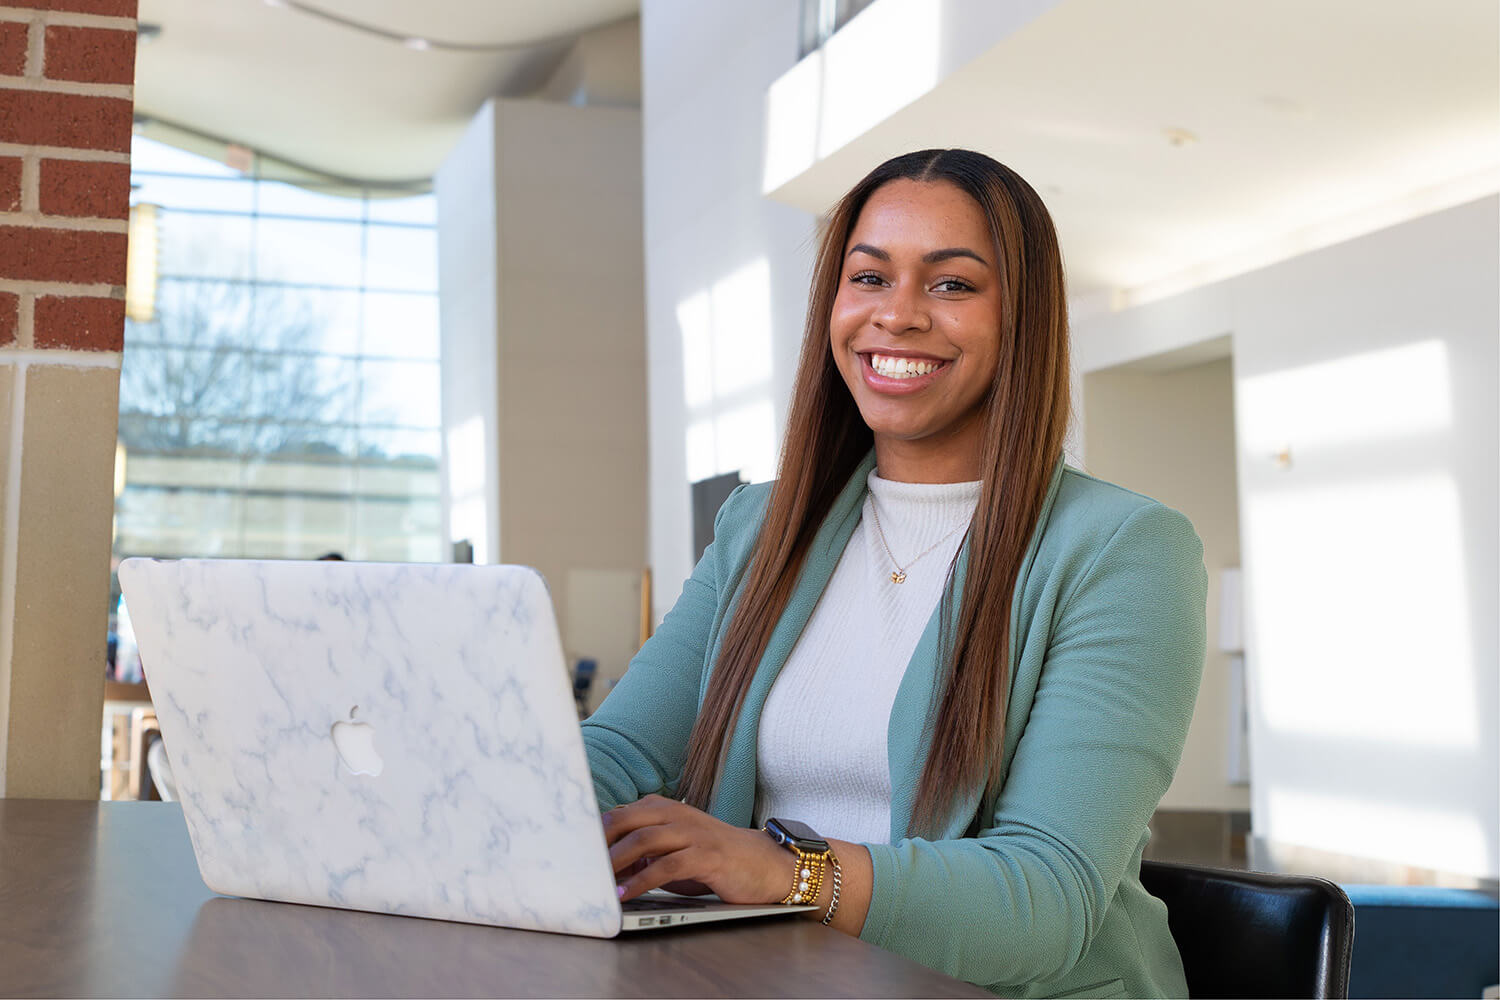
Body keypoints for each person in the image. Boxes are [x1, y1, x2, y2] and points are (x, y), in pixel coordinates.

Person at [582, 148, 1206, 998]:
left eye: (952, 285)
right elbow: (620, 751)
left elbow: (1047, 899)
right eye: (869, 278)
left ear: (1022, 318)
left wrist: (786, 871)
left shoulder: (1124, 550)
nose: (898, 315)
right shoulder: (761, 527)